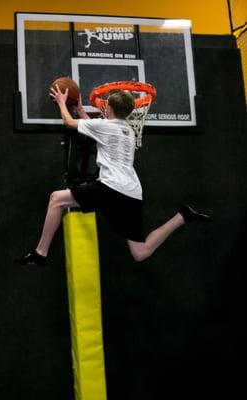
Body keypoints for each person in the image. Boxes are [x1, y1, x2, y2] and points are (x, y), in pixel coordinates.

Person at [15, 85, 211, 267]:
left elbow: (69, 122)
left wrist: (61, 102)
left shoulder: (105, 126)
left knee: (56, 199)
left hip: (112, 187)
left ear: (108, 108)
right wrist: (81, 110)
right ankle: (182, 216)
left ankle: (40, 253)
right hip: (132, 193)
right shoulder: (128, 130)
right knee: (140, 252)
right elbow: (96, 128)